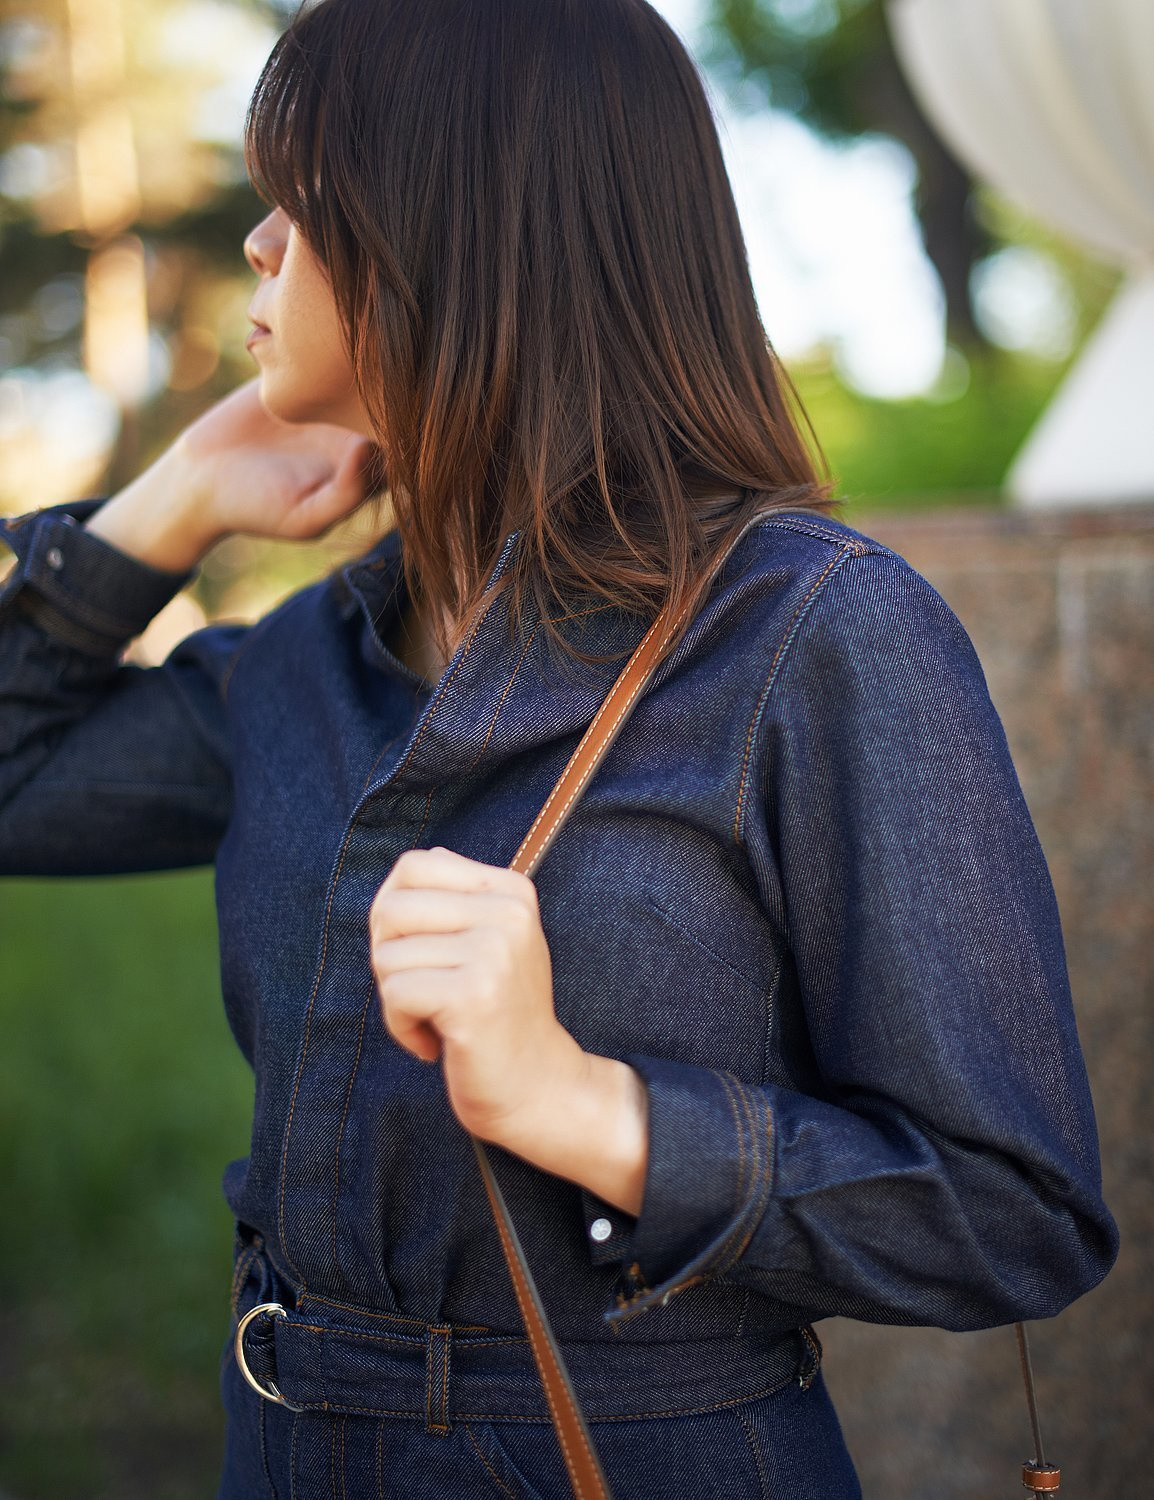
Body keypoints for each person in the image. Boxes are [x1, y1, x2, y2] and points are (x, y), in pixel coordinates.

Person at [0, 0, 1118, 1495]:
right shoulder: (302, 666)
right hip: (282, 1443)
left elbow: (1009, 1209)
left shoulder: (810, 637)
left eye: (302, 201)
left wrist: (585, 1106)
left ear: (450, 226)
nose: (259, 247)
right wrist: (167, 509)